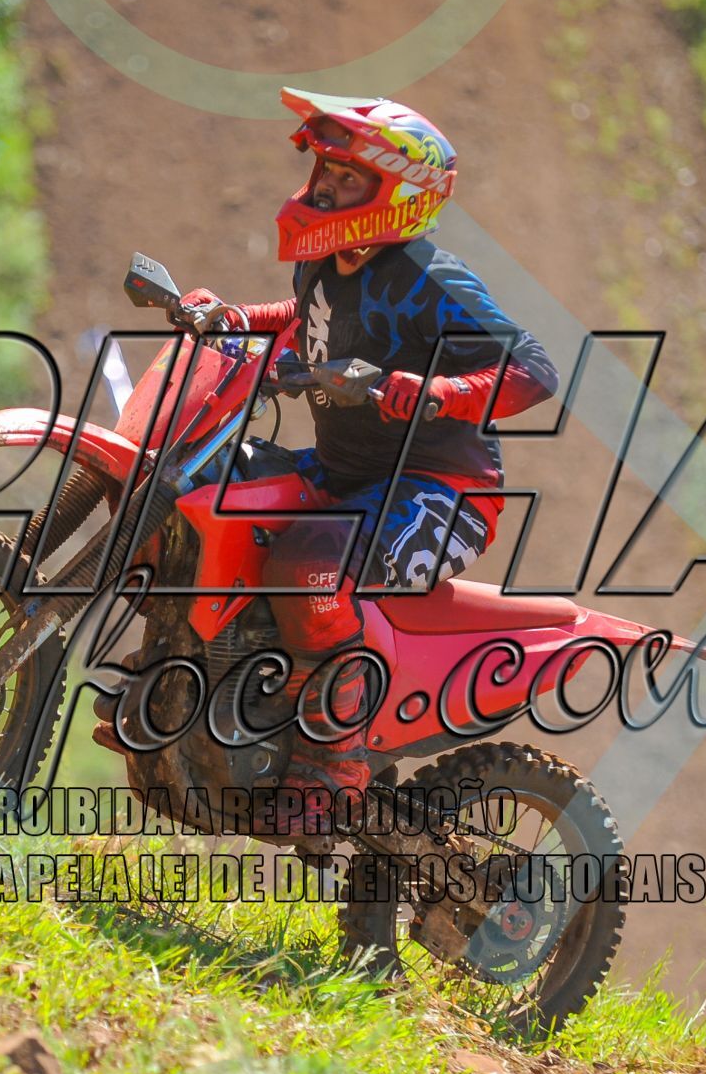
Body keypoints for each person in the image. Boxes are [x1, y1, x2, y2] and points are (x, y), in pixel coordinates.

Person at [176, 88, 561, 843]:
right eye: (324, 169)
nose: (323, 188)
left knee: (309, 565)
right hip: (345, 474)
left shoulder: (429, 276)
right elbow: (304, 322)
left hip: (442, 494)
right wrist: (234, 319)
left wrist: (441, 392)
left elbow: (535, 370)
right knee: (217, 499)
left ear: (397, 194)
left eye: (347, 178)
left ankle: (335, 767)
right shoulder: (326, 260)